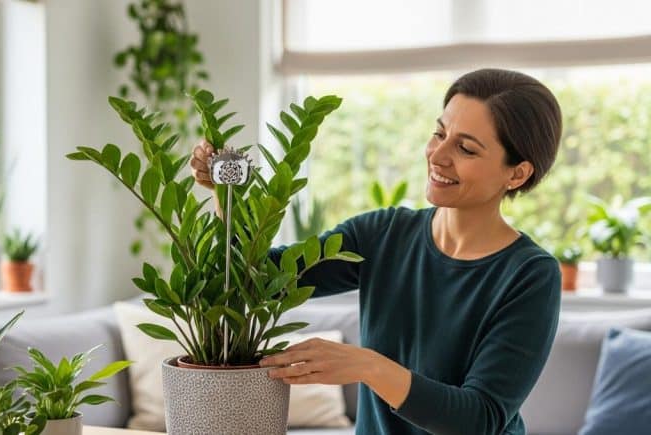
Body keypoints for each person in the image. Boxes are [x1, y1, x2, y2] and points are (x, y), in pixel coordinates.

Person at [189, 68, 563, 435]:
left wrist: (368, 367)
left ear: (517, 174)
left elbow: (479, 419)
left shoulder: (530, 274)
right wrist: (227, 197)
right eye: (439, 133)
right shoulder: (382, 234)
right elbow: (258, 282)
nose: (438, 155)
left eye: (465, 148)